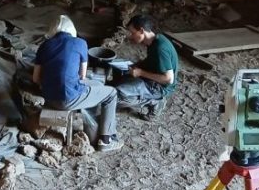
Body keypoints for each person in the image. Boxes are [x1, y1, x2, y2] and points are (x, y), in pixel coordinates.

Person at [33, 15, 123, 152]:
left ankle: (94, 128)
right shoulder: (80, 43)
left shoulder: (44, 45)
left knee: (96, 88)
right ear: (71, 29)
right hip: (68, 99)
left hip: (48, 97)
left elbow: (35, 79)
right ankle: (106, 140)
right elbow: (82, 76)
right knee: (111, 93)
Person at [115, 14, 178, 120]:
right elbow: (153, 61)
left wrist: (140, 73)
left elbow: (168, 79)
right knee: (120, 79)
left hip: (160, 87)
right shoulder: (154, 40)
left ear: (141, 31)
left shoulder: (160, 48)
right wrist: (138, 65)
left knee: (117, 96)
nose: (130, 36)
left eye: (132, 33)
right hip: (152, 79)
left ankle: (155, 101)